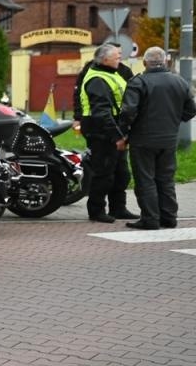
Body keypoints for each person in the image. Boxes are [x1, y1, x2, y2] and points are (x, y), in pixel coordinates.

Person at [119, 46, 196, 230]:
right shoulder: (180, 82)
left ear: (145, 62)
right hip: (169, 139)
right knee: (166, 179)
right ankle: (169, 217)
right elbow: (191, 109)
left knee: (145, 179)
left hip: (142, 140)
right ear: (166, 61)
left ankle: (150, 219)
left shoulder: (138, 82)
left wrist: (124, 132)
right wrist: (175, 120)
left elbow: (128, 111)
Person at [78, 43, 135, 224]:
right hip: (101, 133)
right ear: (105, 59)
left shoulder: (111, 73)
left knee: (121, 173)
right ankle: (96, 210)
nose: (120, 58)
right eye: (116, 56)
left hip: (113, 130)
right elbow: (102, 112)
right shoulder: (97, 79)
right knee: (104, 173)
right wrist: (117, 136)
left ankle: (118, 208)